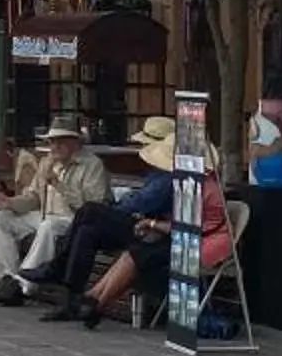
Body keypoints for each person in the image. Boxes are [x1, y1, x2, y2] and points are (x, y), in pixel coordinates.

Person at [71, 119, 231, 329]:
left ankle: (98, 302)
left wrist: (152, 224)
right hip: (188, 237)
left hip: (204, 243)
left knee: (141, 254)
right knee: (136, 251)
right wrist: (152, 224)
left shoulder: (199, 188)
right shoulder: (196, 182)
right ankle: (95, 298)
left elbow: (185, 228)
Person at [41, 117, 197, 325]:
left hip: (151, 231)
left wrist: (110, 212)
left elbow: (138, 204)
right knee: (87, 231)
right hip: (144, 225)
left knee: (90, 211)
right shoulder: (156, 174)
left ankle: (57, 270)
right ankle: (71, 298)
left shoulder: (166, 178)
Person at [0, 122, 110, 305]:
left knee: (49, 226)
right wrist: (10, 202)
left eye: (61, 141)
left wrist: (58, 184)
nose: (54, 147)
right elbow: (33, 198)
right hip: (45, 216)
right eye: (52, 141)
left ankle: (23, 286)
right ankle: (7, 280)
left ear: (75, 142)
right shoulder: (47, 162)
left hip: (74, 221)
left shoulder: (92, 165)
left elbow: (92, 207)